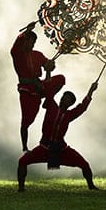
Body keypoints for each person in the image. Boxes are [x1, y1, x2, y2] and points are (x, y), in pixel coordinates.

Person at [17, 81, 99, 192]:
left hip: (61, 149)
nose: (63, 99)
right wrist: (49, 72)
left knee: (84, 164)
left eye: (67, 99)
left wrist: (91, 90)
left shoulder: (69, 115)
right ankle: (21, 188)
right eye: (63, 97)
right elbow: (49, 92)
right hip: (44, 147)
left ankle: (91, 186)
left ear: (70, 104)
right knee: (22, 161)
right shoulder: (51, 106)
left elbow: (83, 107)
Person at [11, 21, 65, 152]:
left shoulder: (37, 54)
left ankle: (48, 98)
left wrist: (49, 67)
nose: (32, 45)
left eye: (34, 42)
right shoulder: (17, 54)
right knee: (27, 120)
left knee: (60, 79)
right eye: (30, 41)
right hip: (27, 90)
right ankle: (24, 147)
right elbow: (17, 44)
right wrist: (27, 31)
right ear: (25, 41)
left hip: (40, 87)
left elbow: (48, 66)